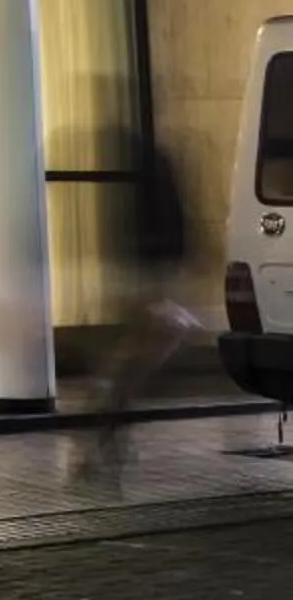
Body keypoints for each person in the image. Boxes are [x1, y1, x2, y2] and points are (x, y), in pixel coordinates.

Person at [82, 128, 197, 475]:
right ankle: (105, 426)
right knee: (134, 357)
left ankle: (107, 426)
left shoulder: (135, 169)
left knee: (133, 356)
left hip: (143, 270)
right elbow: (172, 219)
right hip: (148, 271)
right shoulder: (152, 167)